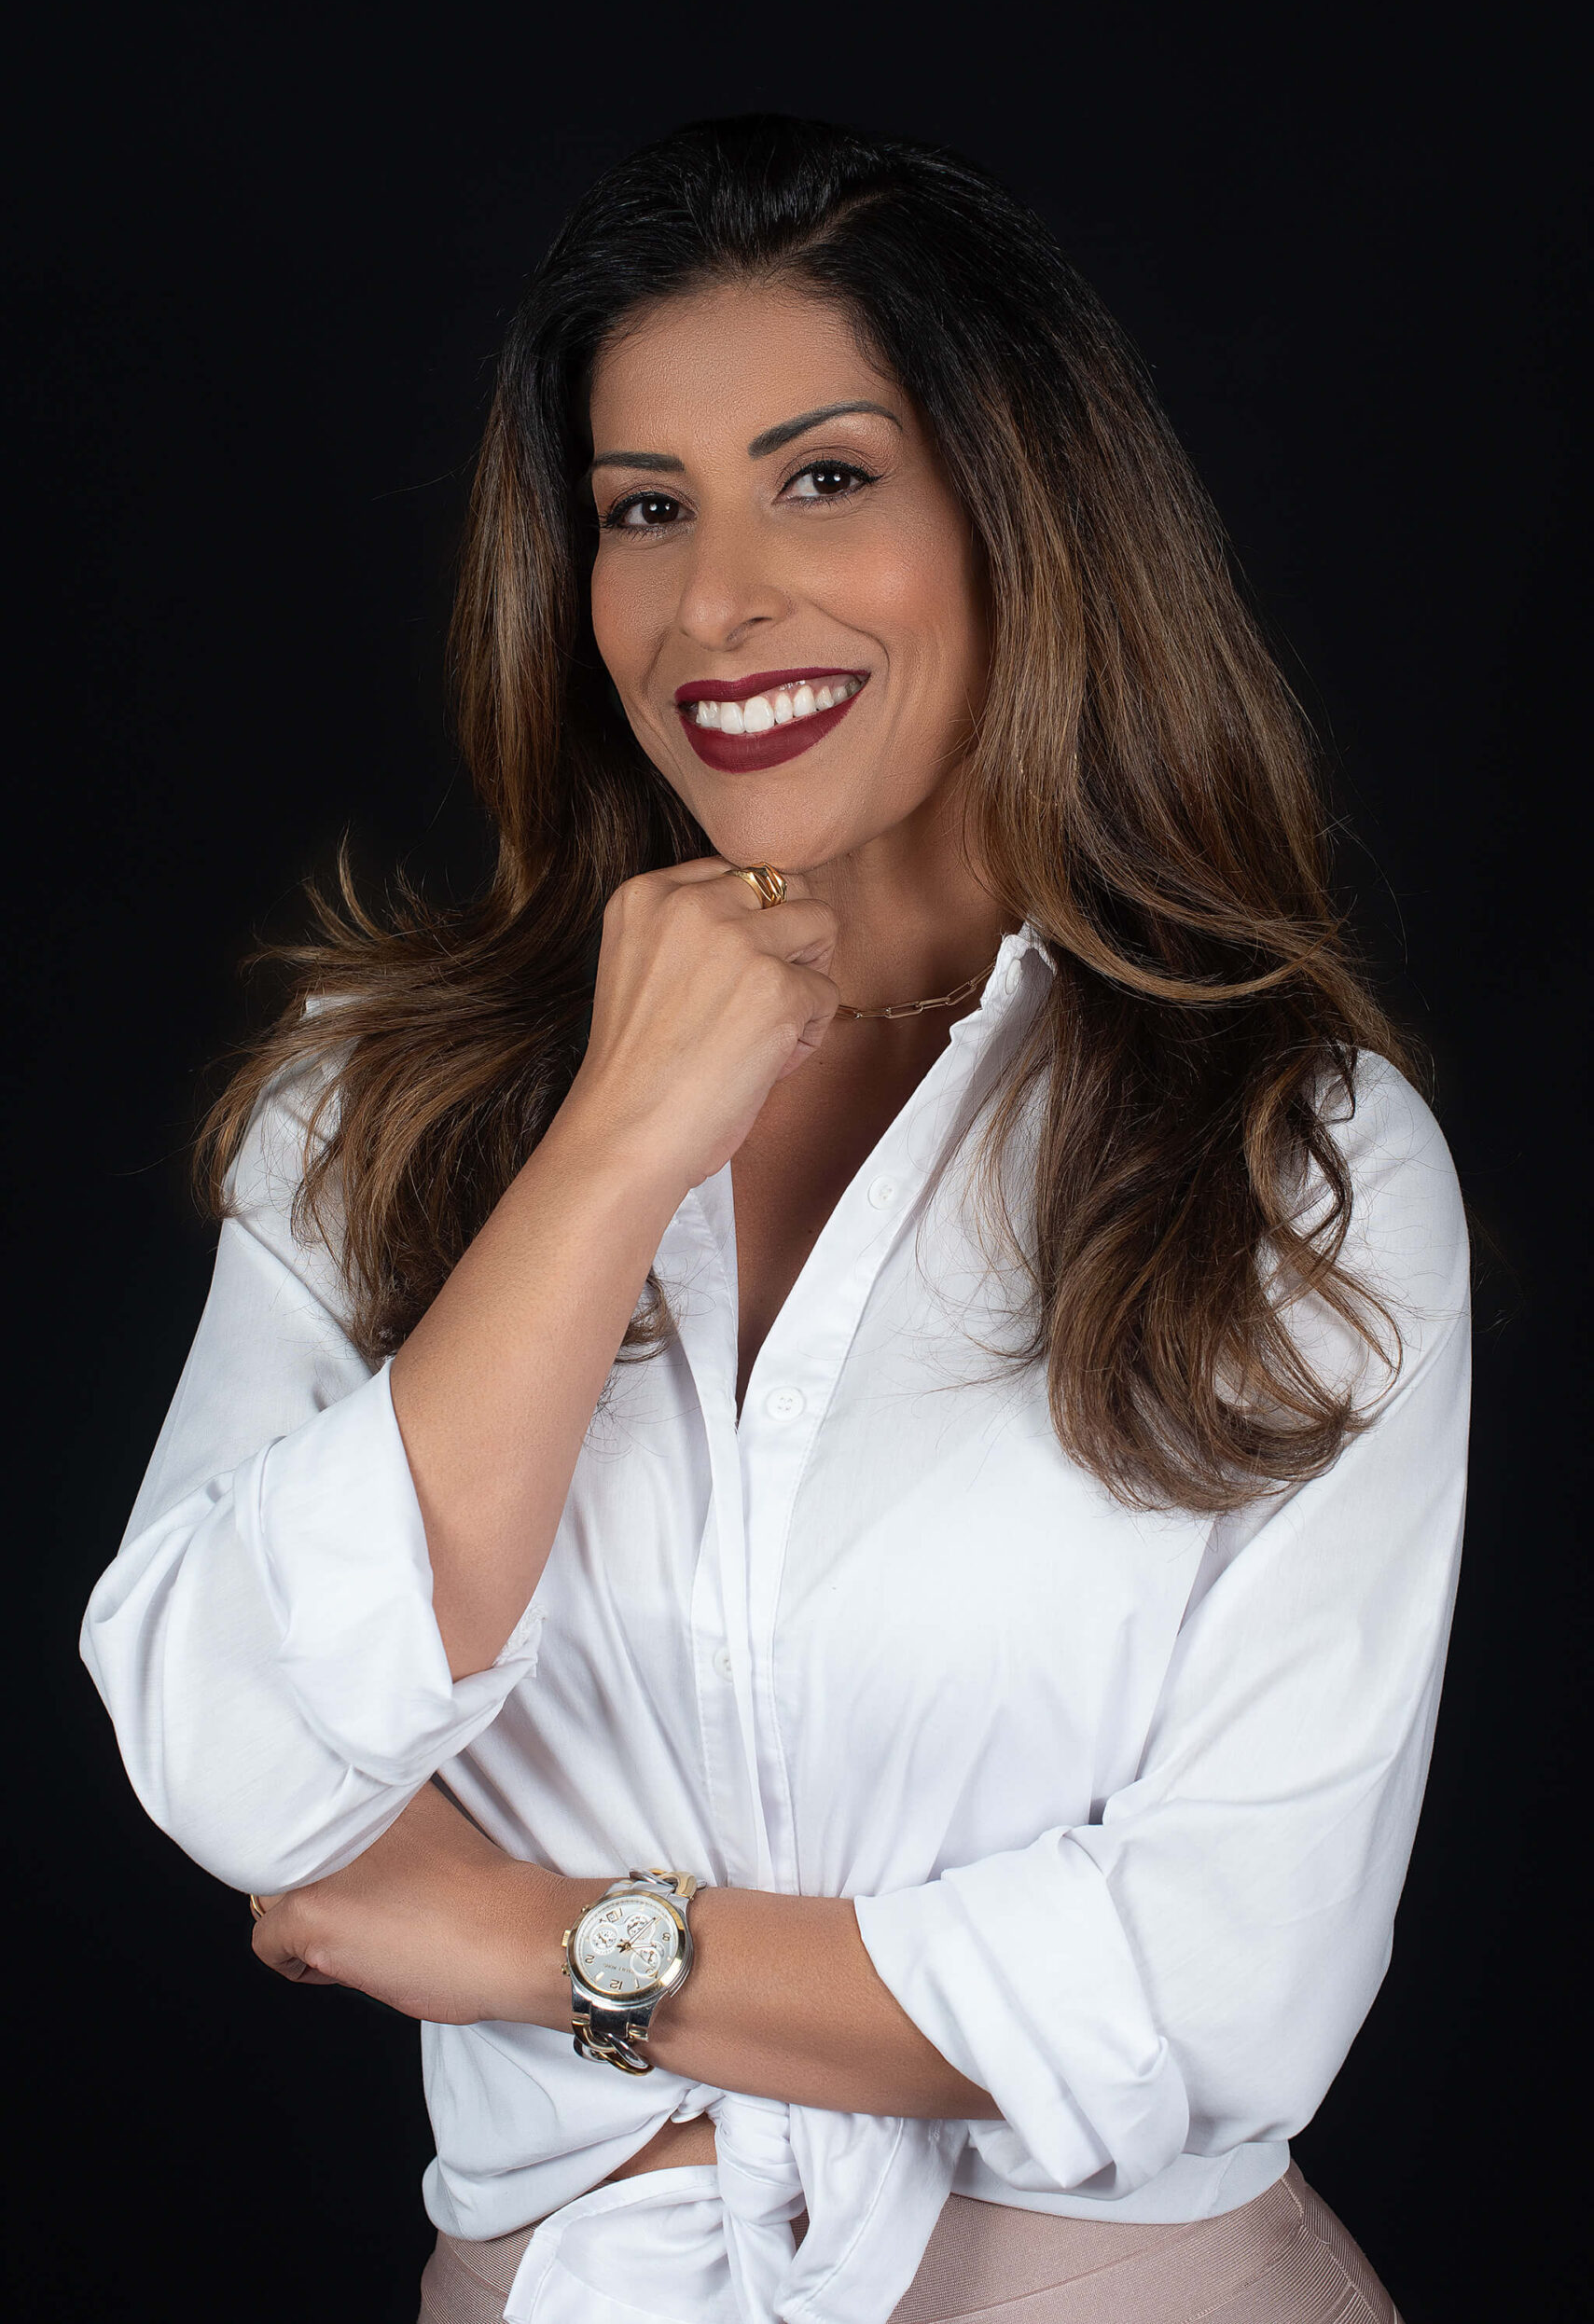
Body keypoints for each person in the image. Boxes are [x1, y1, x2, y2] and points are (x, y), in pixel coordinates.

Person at [81, 117, 1467, 2323]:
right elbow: (233, 1757)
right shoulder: (384, 1102)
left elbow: (1223, 1987)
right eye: (646, 507)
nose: (715, 600)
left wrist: (540, 1941)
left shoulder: (1295, 1162)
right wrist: (613, 1139)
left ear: (1022, 519)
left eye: (824, 477)